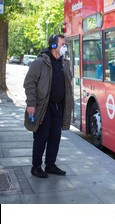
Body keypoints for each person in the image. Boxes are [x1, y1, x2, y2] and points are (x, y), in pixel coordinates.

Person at [23, 34, 74, 178]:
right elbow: (29, 83)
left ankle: (50, 165)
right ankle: (36, 166)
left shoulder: (64, 63)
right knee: (41, 136)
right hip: (43, 106)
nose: (65, 47)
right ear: (53, 45)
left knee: (55, 136)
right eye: (62, 44)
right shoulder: (40, 62)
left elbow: (68, 84)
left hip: (58, 106)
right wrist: (31, 104)